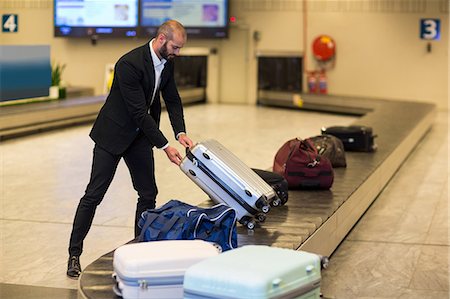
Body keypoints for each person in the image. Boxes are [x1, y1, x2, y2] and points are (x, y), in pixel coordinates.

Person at [67, 20, 193, 279]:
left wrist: (180, 132)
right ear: (161, 39)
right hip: (112, 135)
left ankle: (139, 249)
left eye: (179, 49)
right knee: (94, 194)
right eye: (175, 47)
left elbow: (172, 99)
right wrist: (165, 145)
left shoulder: (167, 63)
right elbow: (138, 112)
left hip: (139, 138)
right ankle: (74, 254)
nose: (177, 53)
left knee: (148, 193)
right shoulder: (129, 64)